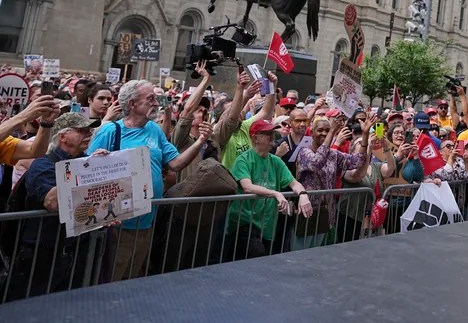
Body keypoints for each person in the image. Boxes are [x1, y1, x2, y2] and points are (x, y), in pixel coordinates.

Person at [87, 80, 212, 281]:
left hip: (146, 223)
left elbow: (175, 164)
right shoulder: (110, 131)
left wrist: (200, 141)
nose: (156, 103)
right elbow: (87, 171)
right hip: (118, 227)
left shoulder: (154, 129)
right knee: (110, 280)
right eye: (150, 99)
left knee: (133, 278)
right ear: (132, 104)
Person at [5, 112, 103, 301]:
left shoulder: (85, 160)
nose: (89, 134)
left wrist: (100, 166)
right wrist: (87, 170)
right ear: (63, 136)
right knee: (28, 306)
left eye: (90, 130)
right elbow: (52, 202)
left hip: (72, 250)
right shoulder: (43, 165)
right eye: (81, 130)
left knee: (64, 306)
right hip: (40, 252)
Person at [225, 119, 313, 260]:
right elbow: (247, 187)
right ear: (255, 138)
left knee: (263, 261)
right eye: (267, 133)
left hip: (267, 225)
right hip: (244, 223)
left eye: (272, 132)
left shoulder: (276, 161)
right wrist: (275, 193)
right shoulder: (244, 160)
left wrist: (303, 195)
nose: (272, 136)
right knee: (254, 255)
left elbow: (294, 183)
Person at [294, 111, 376, 248]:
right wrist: (332, 131)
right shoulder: (304, 152)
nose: (324, 133)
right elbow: (316, 162)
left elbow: (357, 161)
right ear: (312, 133)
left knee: (319, 255)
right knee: (299, 254)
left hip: (326, 213)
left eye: (327, 130)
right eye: (320, 130)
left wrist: (365, 135)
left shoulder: (333, 154)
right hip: (307, 213)